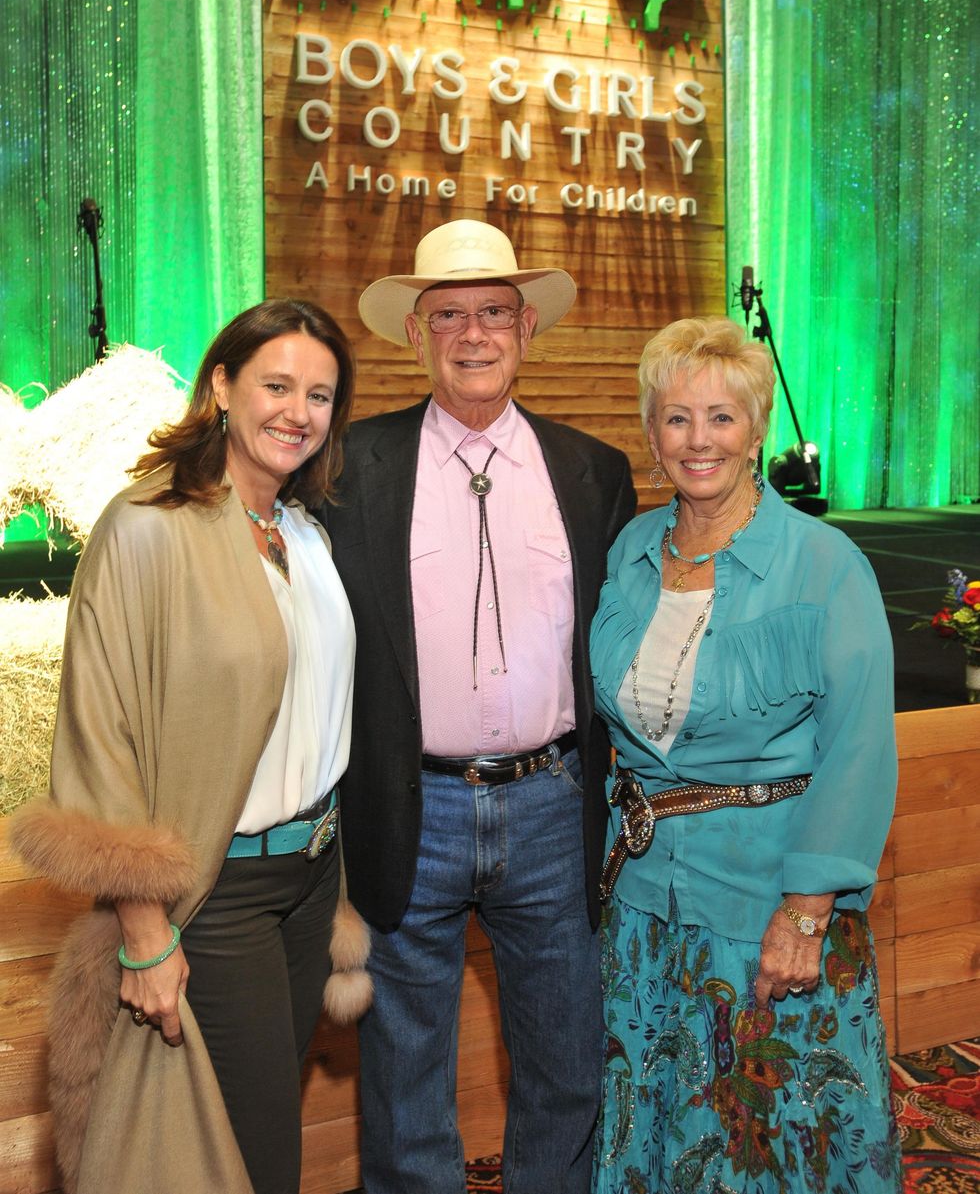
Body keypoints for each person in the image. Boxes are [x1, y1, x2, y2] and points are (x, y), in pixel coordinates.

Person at [11, 299, 372, 1194]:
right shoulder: (146, 528)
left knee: (252, 1135)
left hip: (310, 881)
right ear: (221, 384)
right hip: (218, 894)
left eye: (319, 395)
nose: (297, 411)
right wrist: (142, 924)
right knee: (240, 1157)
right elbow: (102, 738)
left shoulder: (304, 532)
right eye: (276, 384)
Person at [325, 219, 636, 1194]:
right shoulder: (346, 472)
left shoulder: (592, 472)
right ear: (414, 335)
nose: (472, 334)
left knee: (564, 1066)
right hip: (407, 808)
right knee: (403, 1078)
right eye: (448, 314)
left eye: (492, 312)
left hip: (553, 805)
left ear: (526, 328)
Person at [589, 315, 902, 1193]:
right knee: (656, 1115)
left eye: (722, 417)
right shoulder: (630, 553)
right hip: (645, 900)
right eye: (678, 416)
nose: (699, 440)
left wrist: (807, 912)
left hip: (767, 903)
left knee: (767, 1129)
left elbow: (858, 749)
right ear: (651, 431)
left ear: (757, 428)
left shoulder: (824, 562)